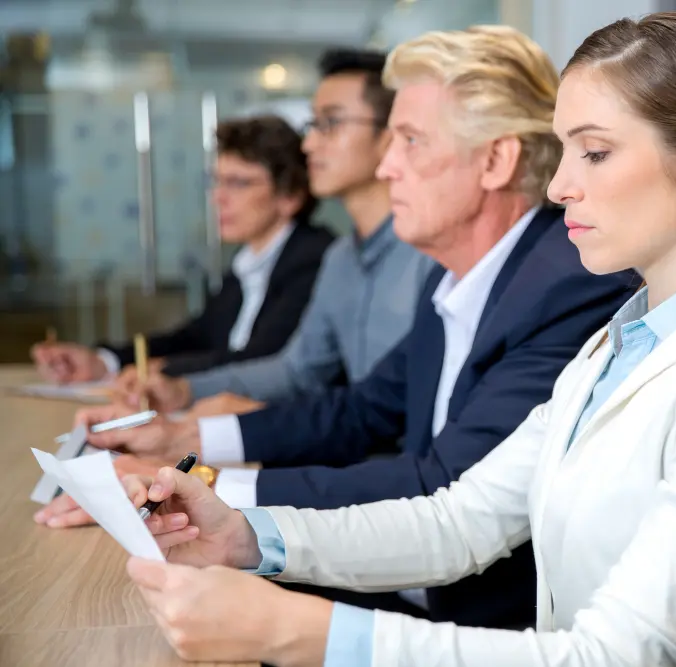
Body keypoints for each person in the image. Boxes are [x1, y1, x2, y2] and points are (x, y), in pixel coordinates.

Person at [38, 25, 637, 631]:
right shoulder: (457, 276)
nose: (387, 165)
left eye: (409, 140)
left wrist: (207, 483)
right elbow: (362, 410)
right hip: (407, 583)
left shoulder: (567, 285)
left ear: (495, 160)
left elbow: (440, 486)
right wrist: (187, 445)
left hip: (477, 625)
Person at [112, 48, 436, 418]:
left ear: (389, 136)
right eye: (312, 126)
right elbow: (298, 371)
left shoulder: (431, 256)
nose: (309, 144)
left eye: (330, 123)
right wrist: (185, 390)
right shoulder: (342, 259)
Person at [31, 115, 334, 383]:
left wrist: (164, 370)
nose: (218, 198)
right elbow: (196, 337)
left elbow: (264, 360)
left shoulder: (314, 260)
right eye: (216, 182)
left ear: (290, 195)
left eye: (238, 183)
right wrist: (103, 361)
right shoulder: (249, 260)